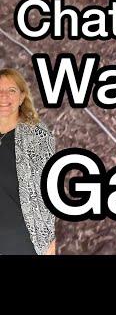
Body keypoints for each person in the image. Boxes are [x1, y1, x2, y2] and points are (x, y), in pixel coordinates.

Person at [0, 68, 56, 255]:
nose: (4, 97)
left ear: (22, 97)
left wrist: (50, 243)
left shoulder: (37, 136)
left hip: (23, 240)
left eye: (12, 91)